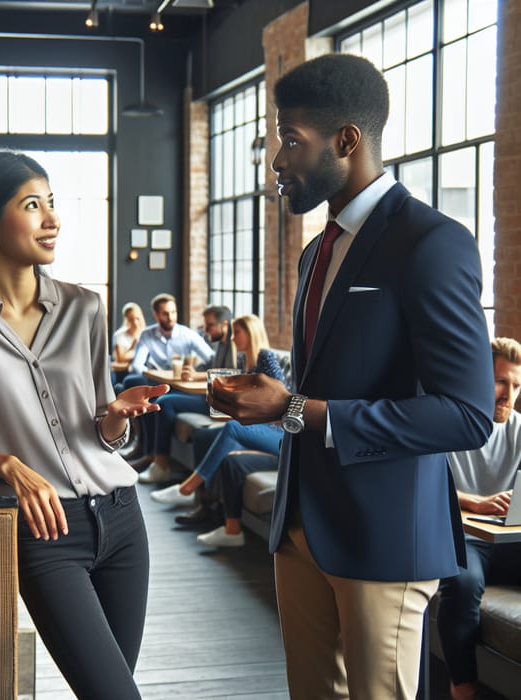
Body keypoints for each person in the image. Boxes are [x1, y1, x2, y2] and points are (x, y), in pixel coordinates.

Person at [208, 53, 494, 699]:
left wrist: (294, 409)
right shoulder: (318, 250)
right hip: (300, 523)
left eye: (289, 140)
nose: (277, 161)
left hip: (384, 536)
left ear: (346, 141)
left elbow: (468, 415)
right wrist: (261, 397)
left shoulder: (432, 242)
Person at [0, 151, 168, 700]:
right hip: (47, 533)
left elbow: (101, 429)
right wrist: (2, 463)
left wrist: (116, 418)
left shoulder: (86, 308)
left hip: (124, 521)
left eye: (52, 203)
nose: (52, 218)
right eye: (32, 205)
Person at [150, 314, 287, 547]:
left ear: (250, 334)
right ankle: (205, 504)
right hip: (258, 425)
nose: (233, 338)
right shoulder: (247, 360)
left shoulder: (266, 357)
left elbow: (282, 392)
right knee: (205, 435)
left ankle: (187, 488)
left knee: (232, 428)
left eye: (238, 333)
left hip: (279, 432)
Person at [437, 337, 521, 700]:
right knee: (463, 585)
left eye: (517, 385)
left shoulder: (519, 428)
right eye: (501, 381)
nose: (509, 394)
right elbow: (423, 489)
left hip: (511, 540)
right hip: (466, 538)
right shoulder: (446, 422)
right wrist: (475, 502)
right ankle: (463, 687)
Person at [136, 304, 235, 483]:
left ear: (225, 325)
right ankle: (153, 457)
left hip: (221, 405)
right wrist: (193, 370)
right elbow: (213, 367)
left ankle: (161, 464)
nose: (205, 330)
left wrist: (196, 374)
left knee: (165, 402)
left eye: (210, 325)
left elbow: (233, 376)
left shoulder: (234, 347)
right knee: (162, 400)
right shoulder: (220, 344)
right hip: (211, 397)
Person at [120, 292, 214, 389]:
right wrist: (154, 375)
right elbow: (136, 366)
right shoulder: (147, 335)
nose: (170, 318)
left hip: (180, 382)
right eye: (165, 314)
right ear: (156, 315)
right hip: (155, 381)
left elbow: (211, 358)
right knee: (130, 381)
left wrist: (196, 372)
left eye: (173, 312)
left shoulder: (188, 334)